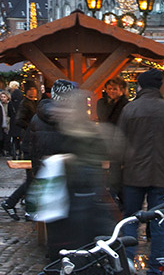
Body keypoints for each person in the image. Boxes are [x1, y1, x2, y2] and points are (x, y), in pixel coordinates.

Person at [112, 70, 164, 275]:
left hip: (133, 176)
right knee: (159, 223)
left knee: (130, 220)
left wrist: (113, 180)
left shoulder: (130, 109)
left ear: (141, 86)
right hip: (162, 176)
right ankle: (156, 268)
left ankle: (128, 262)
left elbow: (118, 146)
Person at [45, 88, 118, 258]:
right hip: (73, 202)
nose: (59, 112)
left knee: (80, 247)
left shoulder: (86, 132)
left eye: (66, 108)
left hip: (81, 202)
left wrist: (69, 161)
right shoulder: (72, 130)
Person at [3, 79, 72, 220]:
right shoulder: (63, 117)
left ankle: (16, 205)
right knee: (33, 182)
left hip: (38, 156)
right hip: (47, 158)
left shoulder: (39, 114)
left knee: (34, 181)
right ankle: (25, 208)